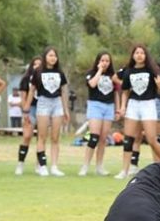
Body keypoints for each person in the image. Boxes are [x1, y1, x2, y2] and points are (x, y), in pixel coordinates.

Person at [115, 44, 160, 179]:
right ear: (133, 55)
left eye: (142, 53)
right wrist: (122, 107)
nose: (139, 55)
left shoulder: (152, 70)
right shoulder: (128, 71)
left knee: (151, 139)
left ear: (146, 55)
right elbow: (125, 92)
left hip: (148, 104)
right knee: (128, 139)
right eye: (137, 53)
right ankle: (124, 170)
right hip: (133, 105)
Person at [24, 47, 71, 177]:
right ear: (45, 57)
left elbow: (63, 91)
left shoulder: (60, 73)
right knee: (42, 136)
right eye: (50, 55)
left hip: (56, 103)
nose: (53, 58)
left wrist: (65, 109)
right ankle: (42, 165)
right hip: (43, 102)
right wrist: (26, 108)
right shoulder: (38, 72)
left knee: (55, 137)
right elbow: (32, 90)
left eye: (55, 56)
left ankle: (55, 166)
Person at [79, 51, 120, 176]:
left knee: (103, 138)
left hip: (109, 106)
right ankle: (85, 165)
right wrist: (99, 71)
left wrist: (117, 109)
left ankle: (99, 166)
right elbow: (92, 84)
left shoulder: (113, 76)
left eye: (107, 61)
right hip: (95, 105)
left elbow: (116, 93)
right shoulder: (91, 73)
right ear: (98, 61)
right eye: (102, 60)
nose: (105, 63)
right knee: (94, 136)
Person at [15, 56, 41, 176]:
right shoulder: (26, 79)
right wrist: (25, 112)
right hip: (30, 109)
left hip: (42, 109)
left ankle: (39, 165)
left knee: (41, 138)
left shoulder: (45, 79)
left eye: (40, 64)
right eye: (35, 64)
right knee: (27, 136)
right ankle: (20, 163)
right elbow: (23, 98)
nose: (37, 66)